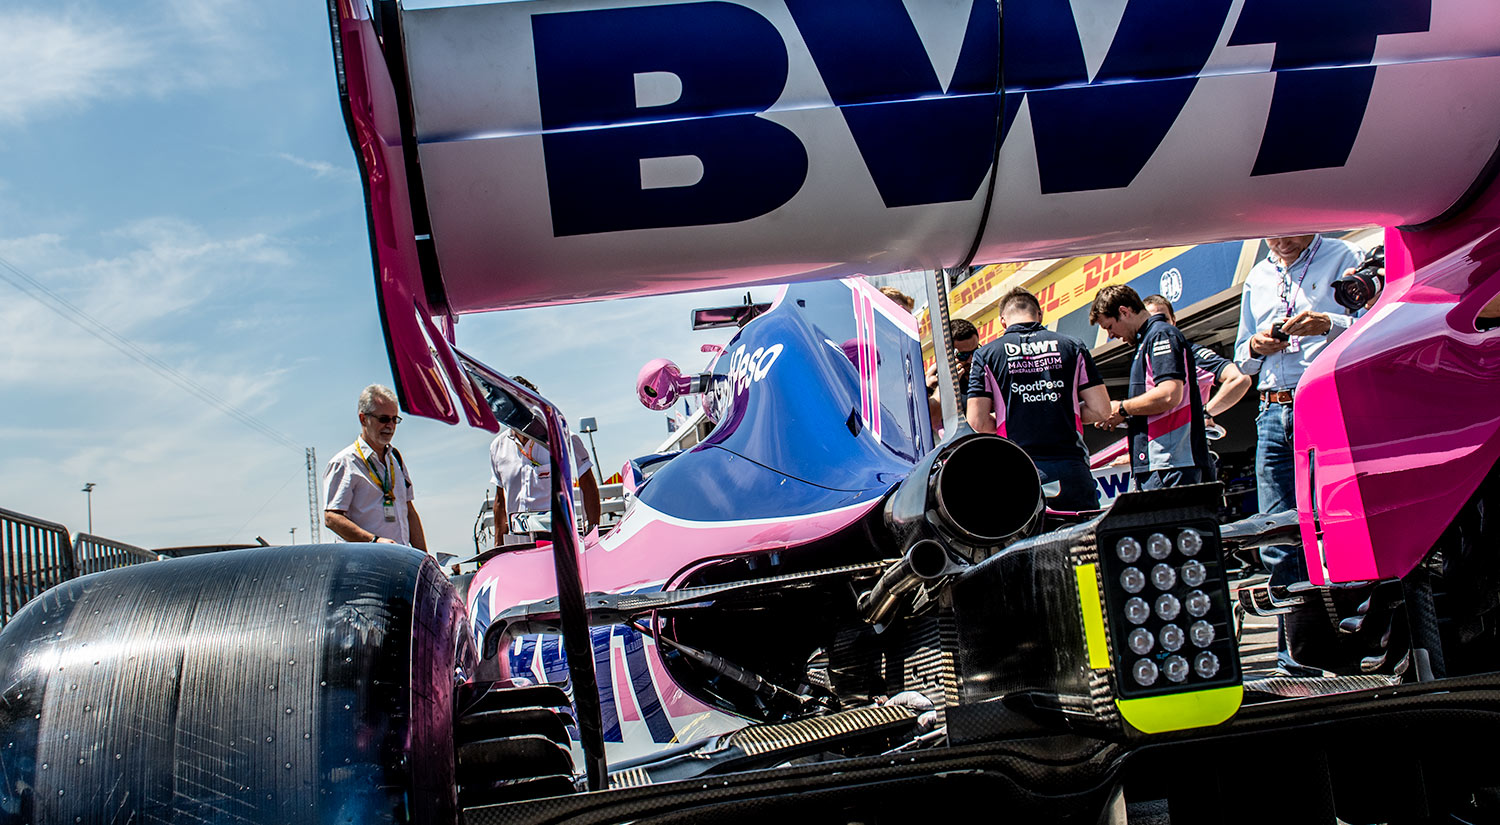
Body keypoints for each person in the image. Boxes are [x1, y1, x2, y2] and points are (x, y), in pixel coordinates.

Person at [1234, 234, 1362, 672]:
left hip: (1324, 399)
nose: (1281, 241)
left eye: (1288, 230)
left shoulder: (1343, 256)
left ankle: (1354, 643)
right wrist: (1256, 346)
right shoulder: (1257, 276)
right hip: (1272, 409)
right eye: (1271, 234)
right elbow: (1242, 357)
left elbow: (1373, 323)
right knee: (1277, 533)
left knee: (1339, 523)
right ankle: (1297, 653)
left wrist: (1328, 323)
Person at [966, 287, 1112, 510]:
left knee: (1028, 532)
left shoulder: (986, 354)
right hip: (1071, 465)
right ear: (1040, 315)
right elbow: (1102, 410)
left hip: (1019, 466)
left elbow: (977, 421)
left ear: (1002, 321)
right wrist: (1063, 410)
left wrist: (1013, 418)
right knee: (1083, 531)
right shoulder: (1073, 346)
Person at [1091, 285, 1211, 490]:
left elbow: (1168, 395)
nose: (1111, 335)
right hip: (1162, 463)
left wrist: (1121, 408)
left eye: (1109, 326)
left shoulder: (1161, 335)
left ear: (1124, 312)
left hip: (1171, 464)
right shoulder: (1148, 339)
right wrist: (1124, 416)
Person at [490, 376, 603, 545]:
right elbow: (500, 499)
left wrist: (592, 535)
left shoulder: (564, 440)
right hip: (518, 544)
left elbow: (588, 485)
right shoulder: (498, 446)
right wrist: (498, 545)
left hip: (559, 540)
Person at [324, 384, 428, 551]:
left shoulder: (395, 459)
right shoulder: (344, 463)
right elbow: (332, 518)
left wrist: (424, 558)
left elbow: (409, 511)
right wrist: (374, 541)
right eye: (384, 419)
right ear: (363, 419)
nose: (390, 426)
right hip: (364, 563)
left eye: (394, 419)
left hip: (399, 559)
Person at [1141, 294, 1252, 440]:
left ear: (1174, 321)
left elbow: (1240, 379)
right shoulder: (1142, 359)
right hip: (1153, 445)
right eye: (1152, 322)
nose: (1159, 327)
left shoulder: (1190, 354)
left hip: (1186, 447)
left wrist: (1205, 413)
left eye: (1164, 320)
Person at [927, 318, 979, 429]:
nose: (971, 359)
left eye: (976, 352)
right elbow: (930, 421)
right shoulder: (934, 382)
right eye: (963, 355)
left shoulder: (986, 370)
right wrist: (941, 386)